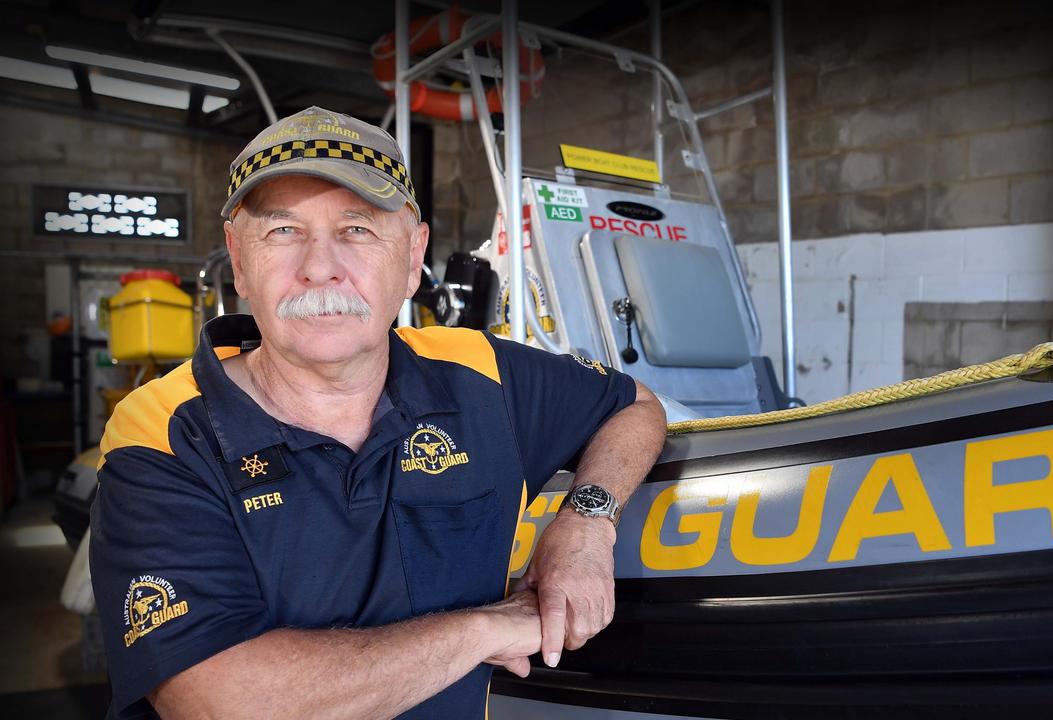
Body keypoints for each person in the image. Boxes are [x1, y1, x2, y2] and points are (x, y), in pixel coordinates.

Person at [89, 106, 667, 719]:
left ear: (414, 255)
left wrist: (586, 523)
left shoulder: (483, 375)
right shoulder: (162, 432)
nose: (319, 266)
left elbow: (632, 405)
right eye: (282, 231)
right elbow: (218, 702)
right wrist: (483, 631)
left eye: (358, 229)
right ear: (238, 258)